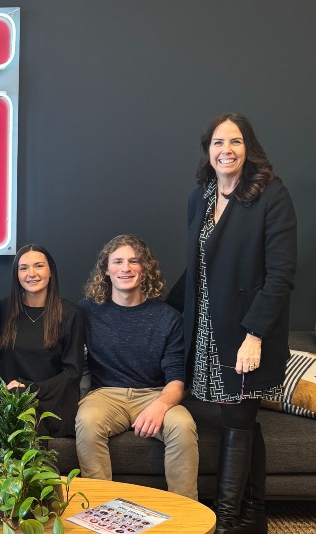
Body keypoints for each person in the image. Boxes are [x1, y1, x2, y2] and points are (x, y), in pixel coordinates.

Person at [179, 113, 296, 533]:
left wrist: (255, 334)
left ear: (249, 148)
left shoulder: (270, 194)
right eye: (217, 142)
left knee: (239, 419)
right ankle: (255, 516)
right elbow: (198, 269)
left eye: (235, 141)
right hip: (209, 330)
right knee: (242, 421)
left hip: (248, 332)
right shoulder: (201, 196)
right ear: (207, 151)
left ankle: (227, 524)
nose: (225, 150)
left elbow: (281, 274)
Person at [75, 234, 198, 500]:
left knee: (183, 425)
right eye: (117, 261)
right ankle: (99, 510)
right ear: (106, 270)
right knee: (87, 421)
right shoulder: (87, 312)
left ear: (145, 269)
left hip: (154, 394)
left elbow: (177, 378)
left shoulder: (168, 318)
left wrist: (161, 405)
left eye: (134, 261)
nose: (126, 268)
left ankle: (187, 513)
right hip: (105, 395)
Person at [0, 244, 84, 437]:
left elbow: (73, 372)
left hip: (54, 399)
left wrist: (31, 390)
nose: (31, 273)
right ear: (16, 274)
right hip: (12, 399)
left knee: (27, 415)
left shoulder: (71, 314)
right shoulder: (6, 309)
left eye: (38, 266)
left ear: (51, 271)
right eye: (23, 268)